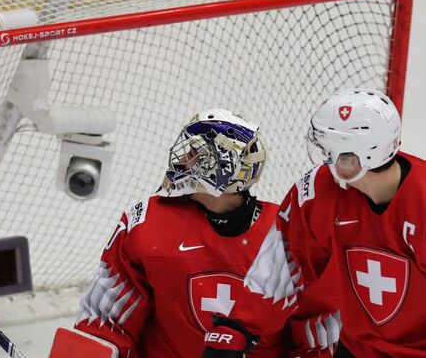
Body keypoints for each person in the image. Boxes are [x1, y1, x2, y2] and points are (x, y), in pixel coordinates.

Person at [74, 109, 313, 357]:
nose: (182, 159)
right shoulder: (147, 221)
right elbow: (104, 321)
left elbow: (316, 326)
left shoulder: (289, 231)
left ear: (224, 167)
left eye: (195, 153)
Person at [277, 88, 426, 357]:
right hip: (356, 347)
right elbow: (281, 268)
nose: (325, 162)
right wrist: (235, 329)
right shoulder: (322, 191)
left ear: (355, 159)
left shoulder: (422, 202)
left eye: (330, 154)